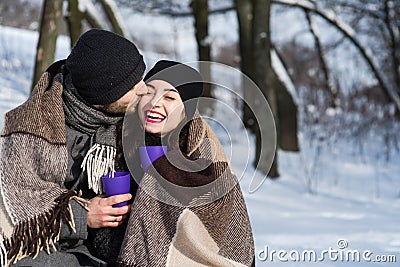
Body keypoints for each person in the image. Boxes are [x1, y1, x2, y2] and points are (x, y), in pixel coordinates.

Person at [0, 29, 147, 266]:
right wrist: (82, 215)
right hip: (50, 248)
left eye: (142, 78)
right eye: (131, 88)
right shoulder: (31, 127)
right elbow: (16, 207)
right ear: (101, 97)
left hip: (115, 247)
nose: (144, 90)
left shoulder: (136, 118)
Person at [118, 60, 255, 266]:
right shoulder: (115, 138)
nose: (154, 103)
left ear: (186, 110)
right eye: (149, 91)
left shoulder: (204, 155)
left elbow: (224, 229)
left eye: (170, 97)